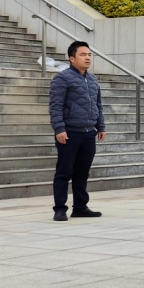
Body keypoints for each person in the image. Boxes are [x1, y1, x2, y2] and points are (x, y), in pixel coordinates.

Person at [49, 41, 105, 221]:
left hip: (89, 132)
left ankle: (80, 207)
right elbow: (55, 106)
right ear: (72, 58)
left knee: (82, 172)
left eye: (89, 54)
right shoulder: (62, 78)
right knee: (64, 172)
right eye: (83, 54)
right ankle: (59, 209)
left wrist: (100, 126)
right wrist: (59, 128)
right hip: (70, 132)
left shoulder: (93, 79)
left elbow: (98, 105)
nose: (87, 57)